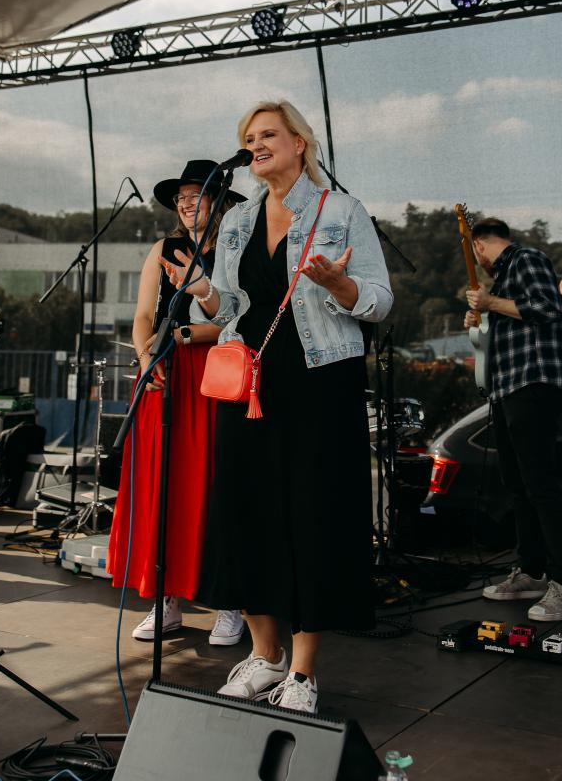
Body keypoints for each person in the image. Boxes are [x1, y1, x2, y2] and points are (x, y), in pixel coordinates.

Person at [164, 101, 393, 713]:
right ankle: (264, 656)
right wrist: (205, 291)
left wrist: (341, 285)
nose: (255, 144)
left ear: (299, 142)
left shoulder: (341, 211)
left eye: (267, 134)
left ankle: (302, 671)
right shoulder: (238, 219)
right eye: (248, 138)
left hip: (320, 381)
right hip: (250, 384)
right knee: (246, 514)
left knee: (312, 518)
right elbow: (231, 307)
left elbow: (380, 299)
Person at [107, 159, 245, 646]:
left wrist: (188, 335)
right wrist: (146, 358)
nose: (186, 204)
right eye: (180, 198)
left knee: (212, 485)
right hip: (165, 374)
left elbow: (239, 317)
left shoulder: (237, 245)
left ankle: (229, 601)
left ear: (220, 200)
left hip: (216, 370)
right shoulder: (163, 249)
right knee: (162, 486)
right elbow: (143, 316)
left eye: (196, 194)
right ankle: (165, 599)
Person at [464, 217, 562, 622]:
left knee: (541, 485)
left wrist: (491, 304)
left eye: (475, 253)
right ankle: (532, 571)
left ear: (479, 245)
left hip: (533, 382)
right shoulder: (500, 281)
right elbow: (506, 328)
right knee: (518, 485)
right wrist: (480, 320)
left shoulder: (527, 259)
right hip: (507, 388)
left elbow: (548, 308)